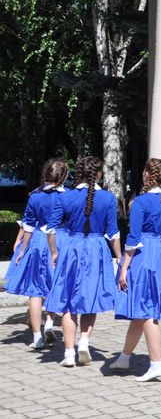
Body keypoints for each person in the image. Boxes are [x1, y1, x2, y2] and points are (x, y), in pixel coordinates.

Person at [112, 159, 161, 382]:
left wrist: (124, 268)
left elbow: (133, 238)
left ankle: (156, 363)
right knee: (140, 312)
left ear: (146, 174)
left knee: (146, 310)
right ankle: (125, 357)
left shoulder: (141, 202)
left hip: (145, 256)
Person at [45, 155, 122, 367]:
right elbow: (113, 233)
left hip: (72, 249)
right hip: (97, 249)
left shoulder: (66, 197)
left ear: (77, 173)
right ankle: (85, 342)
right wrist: (119, 257)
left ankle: (68, 353)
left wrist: (53, 252)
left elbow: (50, 229)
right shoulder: (108, 198)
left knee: (69, 302)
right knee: (90, 298)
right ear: (98, 174)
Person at [8, 158, 67, 350]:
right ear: (64, 176)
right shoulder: (68, 196)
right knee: (55, 285)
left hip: (37, 242)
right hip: (60, 241)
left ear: (45, 174)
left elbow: (28, 225)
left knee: (35, 291)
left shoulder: (35, 196)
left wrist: (22, 249)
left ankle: (36, 337)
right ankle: (50, 322)